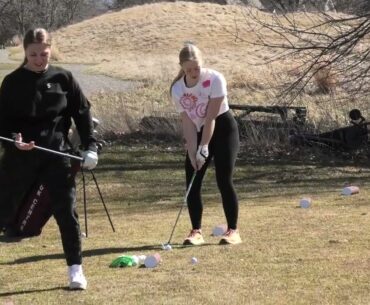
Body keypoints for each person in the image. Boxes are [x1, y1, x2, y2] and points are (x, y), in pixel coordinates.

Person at [0, 28, 98, 290]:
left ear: (50, 50)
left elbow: (83, 112)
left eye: (43, 54)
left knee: (66, 212)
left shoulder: (63, 78)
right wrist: (14, 139)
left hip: (57, 156)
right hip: (19, 159)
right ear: (25, 53)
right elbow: (3, 122)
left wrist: (91, 147)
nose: (39, 59)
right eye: (33, 54)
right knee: (4, 211)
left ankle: (75, 271)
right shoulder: (12, 82)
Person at [170, 44, 241, 246]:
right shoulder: (177, 89)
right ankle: (196, 231)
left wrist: (204, 146)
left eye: (197, 68)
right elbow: (188, 122)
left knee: (223, 179)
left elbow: (210, 117)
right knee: (193, 177)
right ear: (182, 68)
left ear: (202, 63)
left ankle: (233, 231)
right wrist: (193, 151)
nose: (194, 73)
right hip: (197, 130)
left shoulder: (215, 79)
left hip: (223, 128)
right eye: (189, 70)